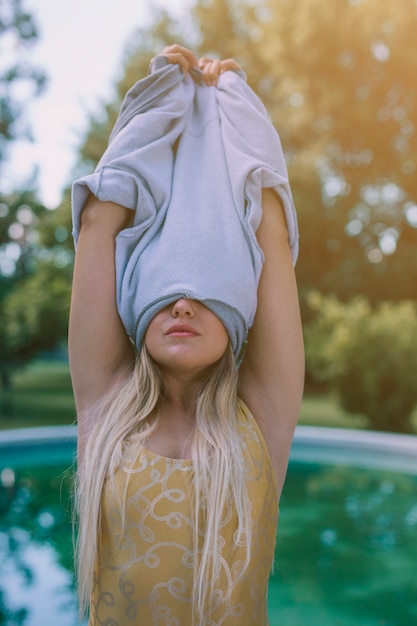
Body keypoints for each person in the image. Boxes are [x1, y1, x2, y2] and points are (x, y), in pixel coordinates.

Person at [69, 44, 304, 626]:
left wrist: (235, 105)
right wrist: (158, 101)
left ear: (236, 313)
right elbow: (102, 216)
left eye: (204, 293)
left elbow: (268, 222)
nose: (181, 303)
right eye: (166, 291)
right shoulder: (105, 407)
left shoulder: (262, 418)